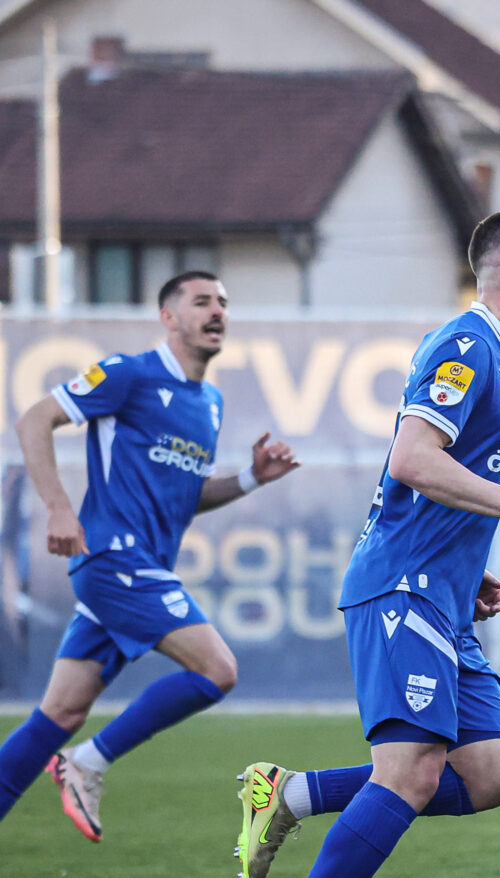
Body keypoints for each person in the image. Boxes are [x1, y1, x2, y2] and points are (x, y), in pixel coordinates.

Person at [239, 210, 500, 878]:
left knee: (490, 775)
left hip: (442, 597)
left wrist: (471, 566)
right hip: (403, 590)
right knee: (410, 775)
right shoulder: (465, 344)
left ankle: (290, 793)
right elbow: (412, 459)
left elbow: (441, 480)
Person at [0, 272, 298, 840]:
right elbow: (34, 419)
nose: (217, 311)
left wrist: (250, 478)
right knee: (217, 669)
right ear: (168, 316)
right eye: (201, 301)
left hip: (141, 570)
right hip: (114, 560)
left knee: (60, 714)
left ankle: (74, 755)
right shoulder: (127, 374)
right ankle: (87, 762)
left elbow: (187, 496)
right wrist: (58, 507)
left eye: (223, 302)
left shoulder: (209, 403)